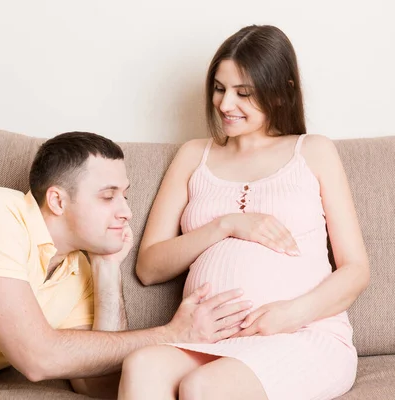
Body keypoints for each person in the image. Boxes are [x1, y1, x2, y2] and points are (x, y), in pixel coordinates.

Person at [0, 132, 253, 400]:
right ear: (58, 201)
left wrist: (108, 271)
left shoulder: (77, 273)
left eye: (126, 196)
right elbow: (36, 356)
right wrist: (171, 333)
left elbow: (96, 385)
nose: (127, 212)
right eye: (108, 197)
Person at [118, 25, 370, 400]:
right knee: (141, 366)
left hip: (301, 335)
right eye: (219, 89)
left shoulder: (313, 152)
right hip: (209, 339)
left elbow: (356, 270)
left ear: (282, 93)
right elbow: (149, 267)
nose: (224, 105)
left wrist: (292, 314)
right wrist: (226, 225)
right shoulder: (192, 156)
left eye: (243, 93)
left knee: (202, 387)